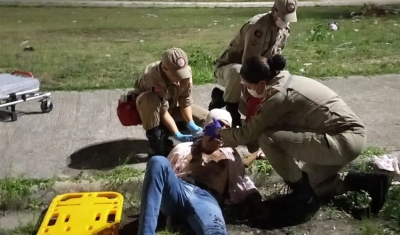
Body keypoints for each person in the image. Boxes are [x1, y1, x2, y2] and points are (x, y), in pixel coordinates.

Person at [204, 54, 392, 217]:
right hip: (344, 137)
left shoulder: (278, 95)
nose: (247, 90)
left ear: (261, 83)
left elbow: (249, 134)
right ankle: (371, 182)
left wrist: (219, 133)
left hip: (343, 140)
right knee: (314, 186)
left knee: (267, 138)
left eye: (247, 86)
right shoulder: (282, 81)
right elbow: (262, 119)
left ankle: (302, 196)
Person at [138, 109, 265, 235]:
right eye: (220, 125)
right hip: (179, 190)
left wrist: (256, 201)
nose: (223, 131)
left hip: (206, 199)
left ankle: (180, 221)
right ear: (208, 126)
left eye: (228, 128)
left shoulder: (230, 155)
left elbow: (243, 181)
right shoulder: (183, 148)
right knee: (158, 161)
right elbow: (162, 177)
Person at [209, 0, 298, 128]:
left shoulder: (284, 29)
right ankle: (232, 111)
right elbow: (248, 65)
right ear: (274, 11)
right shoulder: (258, 27)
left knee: (263, 104)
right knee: (238, 71)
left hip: (257, 71)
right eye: (283, 17)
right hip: (230, 70)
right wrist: (250, 95)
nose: (285, 22)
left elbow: (271, 62)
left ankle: (222, 98)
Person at [132, 47, 209, 157]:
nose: (180, 78)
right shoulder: (153, 77)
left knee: (207, 118)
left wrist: (191, 123)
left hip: (170, 108)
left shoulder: (185, 72)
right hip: (150, 111)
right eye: (176, 74)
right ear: (164, 68)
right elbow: (162, 110)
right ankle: (156, 143)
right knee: (149, 98)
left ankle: (178, 129)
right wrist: (176, 134)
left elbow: (185, 101)